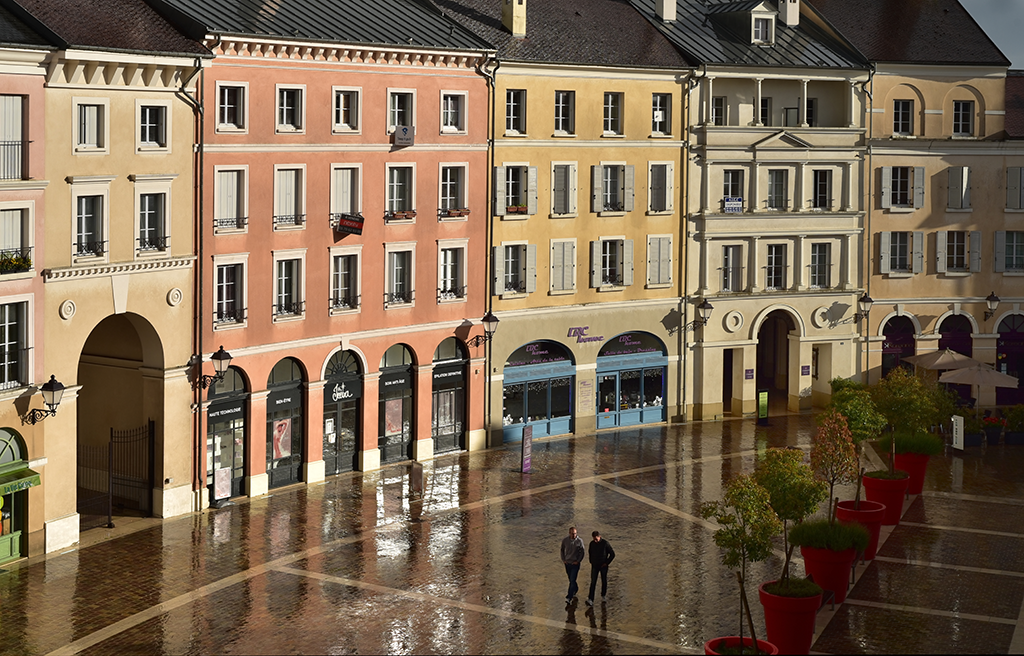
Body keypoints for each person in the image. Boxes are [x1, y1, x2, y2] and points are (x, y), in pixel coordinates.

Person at [585, 530, 615, 605]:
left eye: (596, 539)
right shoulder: (591, 544)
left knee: (604, 581)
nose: (595, 541)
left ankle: (603, 595)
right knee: (593, 582)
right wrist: (591, 561)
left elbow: (612, 554)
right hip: (594, 565)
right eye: (594, 539)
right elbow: (590, 553)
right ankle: (590, 599)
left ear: (599, 537)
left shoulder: (605, 543)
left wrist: (606, 563)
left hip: (603, 566)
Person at [560, 526, 585, 603]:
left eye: (575, 534)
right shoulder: (565, 540)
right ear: (569, 533)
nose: (574, 535)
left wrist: (578, 561)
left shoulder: (579, 541)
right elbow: (562, 549)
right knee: (571, 579)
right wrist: (563, 559)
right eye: (572, 534)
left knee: (572, 580)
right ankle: (575, 588)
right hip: (567, 563)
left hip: (575, 564)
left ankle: (569, 597)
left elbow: (582, 552)